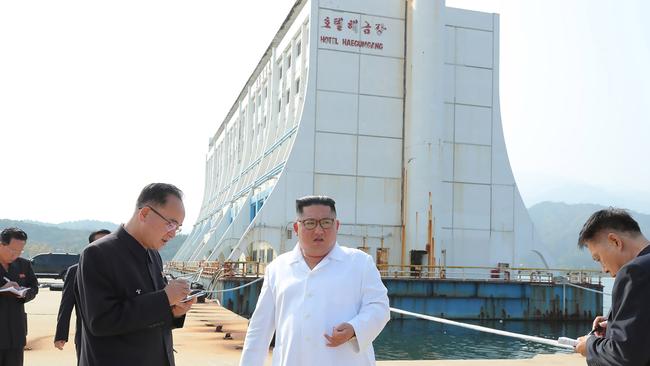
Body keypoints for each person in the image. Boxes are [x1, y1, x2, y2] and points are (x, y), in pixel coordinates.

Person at [240, 195, 390, 366]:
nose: (319, 231)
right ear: (297, 227)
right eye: (310, 223)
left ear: (337, 225)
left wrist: (355, 329)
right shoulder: (277, 268)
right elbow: (259, 329)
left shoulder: (360, 263)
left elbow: (380, 307)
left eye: (326, 222)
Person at [76, 183, 195, 366]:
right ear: (145, 213)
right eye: (170, 223)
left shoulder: (153, 254)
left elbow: (147, 317)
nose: (173, 233)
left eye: (177, 227)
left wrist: (173, 312)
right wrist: (164, 298)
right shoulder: (98, 254)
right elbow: (100, 321)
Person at [575, 208, 650, 365]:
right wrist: (615, 325)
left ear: (615, 241)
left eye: (598, 258)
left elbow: (626, 356)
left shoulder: (634, 271)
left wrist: (590, 345)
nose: (604, 269)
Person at [54, 229, 111, 361]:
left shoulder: (121, 269)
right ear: (91, 247)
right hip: (86, 335)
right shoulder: (76, 270)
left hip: (118, 335)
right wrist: (61, 334)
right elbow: (66, 304)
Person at [0, 227, 39, 366]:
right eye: (12, 250)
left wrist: (24, 294)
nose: (15, 254)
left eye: (19, 251)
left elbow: (34, 287)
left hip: (16, 333)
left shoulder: (24, 264)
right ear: (1, 244)